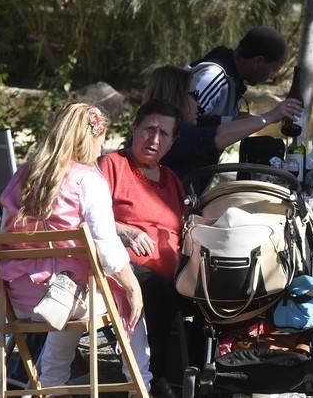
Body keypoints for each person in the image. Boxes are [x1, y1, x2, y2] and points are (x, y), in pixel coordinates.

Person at [0, 103, 153, 393]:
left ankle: (52, 383)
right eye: (101, 138)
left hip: (18, 297)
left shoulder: (22, 176)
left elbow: (4, 232)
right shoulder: (87, 180)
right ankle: (140, 384)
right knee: (121, 293)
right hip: (64, 298)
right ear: (91, 137)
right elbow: (107, 248)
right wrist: (132, 286)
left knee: (78, 291)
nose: (102, 147)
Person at [98, 100, 185, 395]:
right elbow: (86, 217)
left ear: (173, 142)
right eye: (149, 129)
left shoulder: (172, 180)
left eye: (164, 133)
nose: (155, 139)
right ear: (134, 129)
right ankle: (159, 382)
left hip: (173, 273)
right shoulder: (112, 166)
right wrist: (124, 230)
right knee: (161, 290)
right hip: (124, 271)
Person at [143, 65, 302, 179]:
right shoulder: (171, 135)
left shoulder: (174, 128)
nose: (199, 104)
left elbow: (223, 123)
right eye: (195, 96)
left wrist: (271, 117)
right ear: (178, 97)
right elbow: (218, 135)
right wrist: (269, 117)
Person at [187, 26, 288, 125]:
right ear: (258, 61)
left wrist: (242, 120)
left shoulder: (235, 80)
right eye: (274, 69)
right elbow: (184, 124)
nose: (272, 76)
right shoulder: (213, 76)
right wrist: (266, 118)